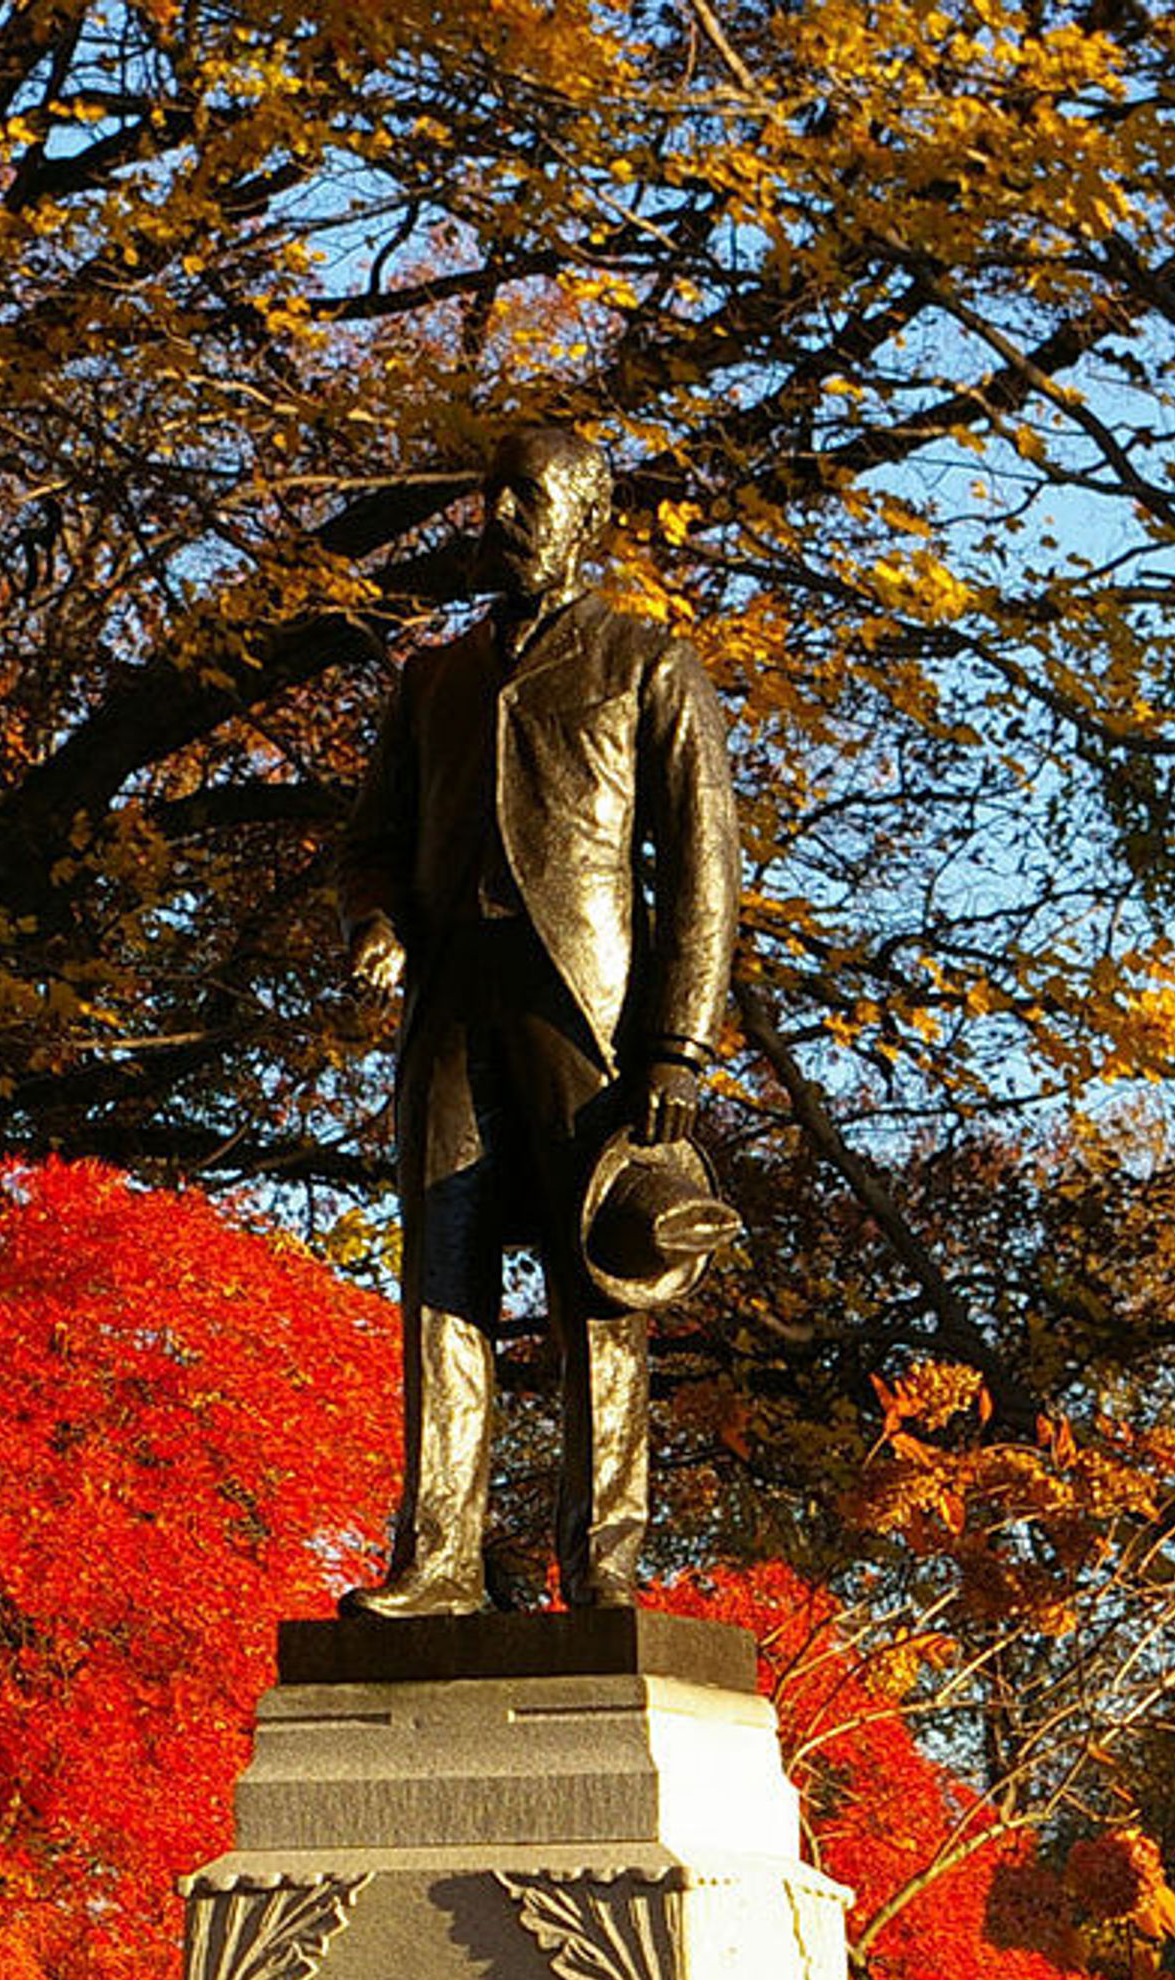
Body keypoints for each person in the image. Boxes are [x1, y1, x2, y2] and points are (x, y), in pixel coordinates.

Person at [332, 421, 740, 1617]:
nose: (499, 515)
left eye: (526, 495)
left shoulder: (646, 664)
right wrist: (380, 925)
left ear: (586, 517)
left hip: (592, 1020)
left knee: (601, 1284)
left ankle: (604, 1562)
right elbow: (371, 847)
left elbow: (705, 871)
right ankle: (438, 1559)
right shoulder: (433, 682)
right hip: (453, 1007)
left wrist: (676, 1042)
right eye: (488, 493)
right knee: (441, 1283)